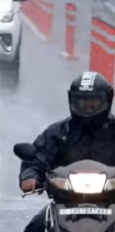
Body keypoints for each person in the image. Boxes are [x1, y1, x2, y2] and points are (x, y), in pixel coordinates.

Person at [20, 71, 115, 232]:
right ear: (72, 100)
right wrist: (30, 176)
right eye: (83, 102)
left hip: (111, 201)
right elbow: (36, 158)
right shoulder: (58, 133)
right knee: (35, 228)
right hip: (66, 203)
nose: (88, 107)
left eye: (94, 101)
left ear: (107, 100)